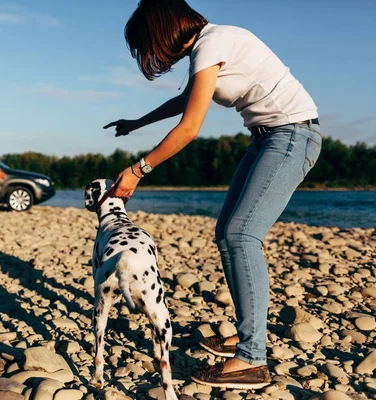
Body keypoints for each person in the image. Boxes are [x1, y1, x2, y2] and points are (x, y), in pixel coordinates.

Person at [104, 0, 321, 390]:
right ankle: (247, 333)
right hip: (268, 137)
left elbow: (189, 129)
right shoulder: (207, 46)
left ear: (162, 30)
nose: (150, 54)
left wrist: (138, 170)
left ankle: (252, 359)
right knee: (227, 233)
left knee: (242, 236)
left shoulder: (212, 43)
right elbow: (186, 100)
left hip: (292, 135)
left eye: (146, 43)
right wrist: (138, 122)